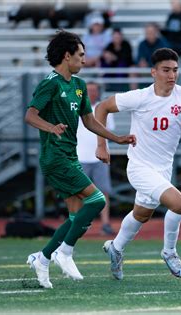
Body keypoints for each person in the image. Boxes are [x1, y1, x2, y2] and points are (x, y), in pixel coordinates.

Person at [25, 30, 136, 289]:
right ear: (67, 56)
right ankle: (64, 251)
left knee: (76, 216)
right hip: (54, 157)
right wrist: (50, 127)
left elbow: (89, 120)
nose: (85, 60)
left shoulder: (79, 86)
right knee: (97, 200)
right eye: (81, 55)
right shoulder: (50, 83)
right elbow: (30, 115)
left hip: (70, 156)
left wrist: (115, 138)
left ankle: (43, 257)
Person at [95, 48, 181, 280]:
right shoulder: (140, 97)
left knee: (141, 215)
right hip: (139, 167)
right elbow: (101, 108)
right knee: (178, 204)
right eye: (166, 70)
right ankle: (169, 252)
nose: (172, 75)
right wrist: (102, 145)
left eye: (175, 70)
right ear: (153, 72)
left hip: (163, 169)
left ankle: (116, 248)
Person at [76, 82, 116, 236]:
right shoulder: (77, 107)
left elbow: (108, 131)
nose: (92, 93)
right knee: (79, 192)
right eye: (89, 90)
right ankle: (77, 224)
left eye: (94, 90)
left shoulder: (104, 108)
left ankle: (105, 223)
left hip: (100, 157)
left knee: (103, 191)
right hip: (80, 156)